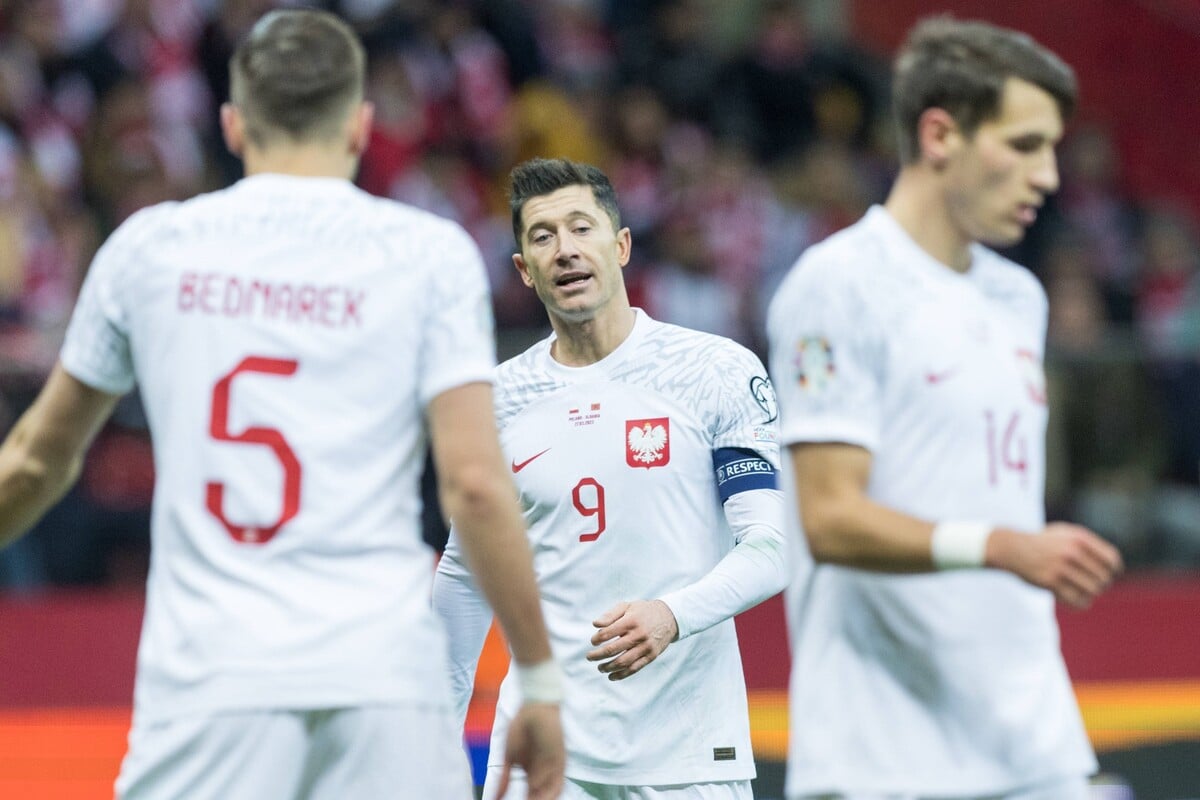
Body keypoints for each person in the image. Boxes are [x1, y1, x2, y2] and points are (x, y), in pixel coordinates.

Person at [0, 10, 564, 800]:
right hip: (381, 678)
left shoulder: (150, 248)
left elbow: (35, 458)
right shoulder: (428, 255)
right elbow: (472, 483)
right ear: (361, 125)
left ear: (232, 124)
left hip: (212, 676)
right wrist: (537, 677)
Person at [765, 16, 1125, 800]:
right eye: (1025, 145)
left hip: (1036, 749)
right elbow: (829, 518)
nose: (1049, 177)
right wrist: (1002, 546)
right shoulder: (839, 286)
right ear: (940, 135)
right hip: (886, 761)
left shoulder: (1018, 297)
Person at [433, 157, 787, 800]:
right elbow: (463, 580)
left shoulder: (715, 371)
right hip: (543, 758)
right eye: (542, 236)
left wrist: (671, 615)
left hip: (688, 757)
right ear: (523, 269)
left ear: (620, 245)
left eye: (581, 227)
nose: (565, 249)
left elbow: (771, 547)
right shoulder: (495, 399)